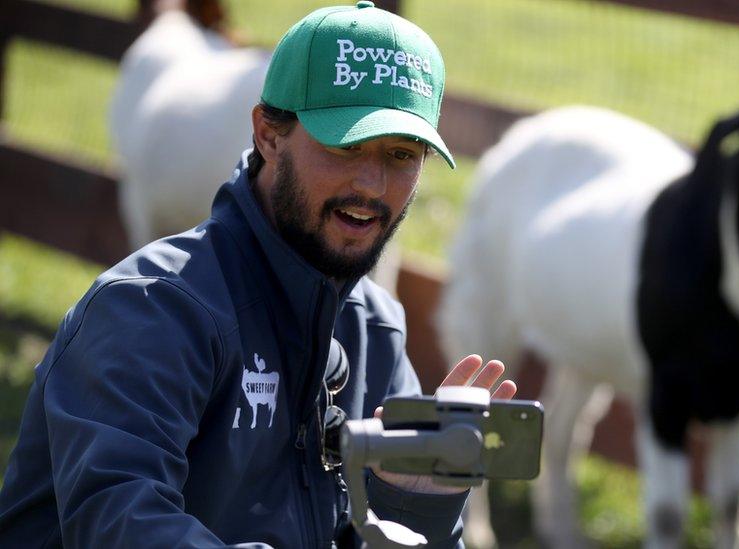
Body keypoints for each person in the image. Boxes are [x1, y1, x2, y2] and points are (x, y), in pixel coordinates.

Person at [0, 2, 515, 547]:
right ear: (269, 135)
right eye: (345, 145)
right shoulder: (151, 310)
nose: (371, 183)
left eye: (401, 154)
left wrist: (415, 509)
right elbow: (120, 525)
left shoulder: (373, 329)